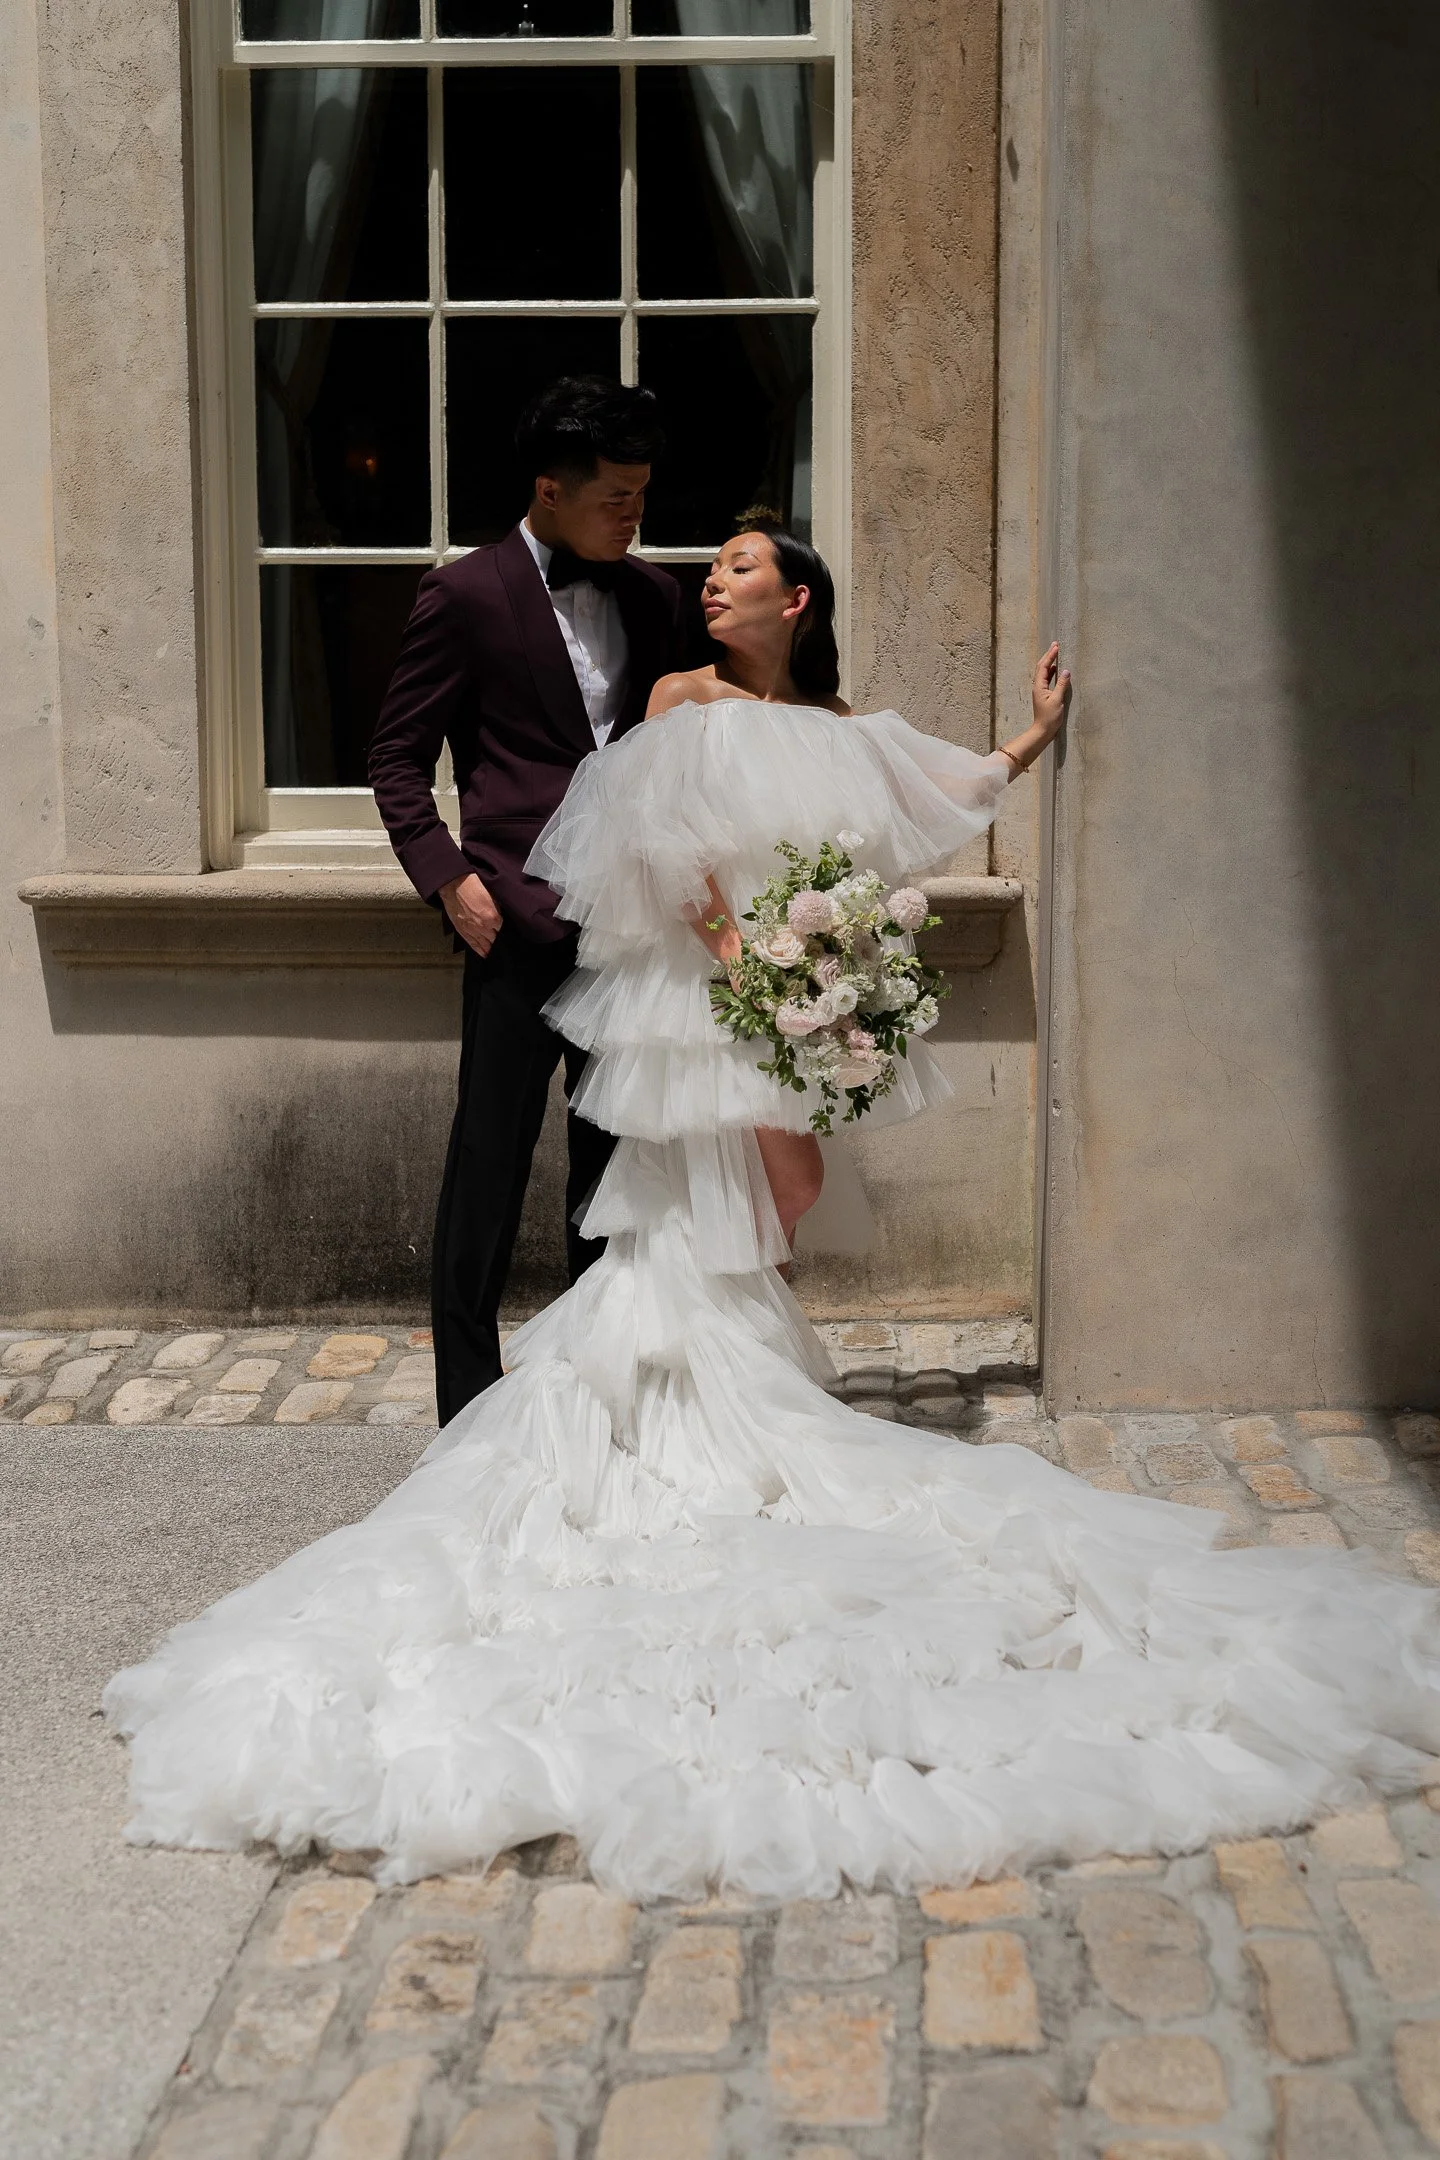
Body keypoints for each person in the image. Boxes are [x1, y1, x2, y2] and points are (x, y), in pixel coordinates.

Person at [105, 528, 1440, 1904]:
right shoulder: (681, 700)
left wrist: (1030, 742)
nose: (712, 580)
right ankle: (671, 1408)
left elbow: (935, 790)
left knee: (782, 1203)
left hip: (774, 992)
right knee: (689, 1202)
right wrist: (750, 954)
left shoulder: (830, 723)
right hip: (701, 999)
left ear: (796, 599)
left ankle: (736, 1379)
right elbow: (650, 840)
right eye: (713, 567)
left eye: (741, 566)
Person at [369, 376, 682, 1424]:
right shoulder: (465, 596)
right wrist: (448, 879)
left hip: (629, 933)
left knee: (609, 1167)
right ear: (551, 492)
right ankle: (465, 1400)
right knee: (488, 1162)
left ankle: (589, 1394)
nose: (633, 517)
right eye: (616, 499)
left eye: (642, 496)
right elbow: (397, 760)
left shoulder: (654, 597)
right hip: (510, 923)